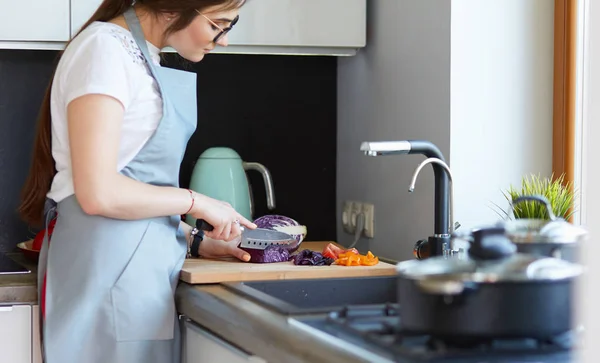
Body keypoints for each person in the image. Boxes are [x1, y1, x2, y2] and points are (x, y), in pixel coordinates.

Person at [17, 0, 255, 362]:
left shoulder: (140, 57)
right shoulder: (105, 50)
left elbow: (134, 188)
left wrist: (196, 241)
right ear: (178, 6)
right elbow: (98, 193)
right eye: (219, 24)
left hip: (136, 278)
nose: (222, 41)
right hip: (104, 273)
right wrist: (196, 201)